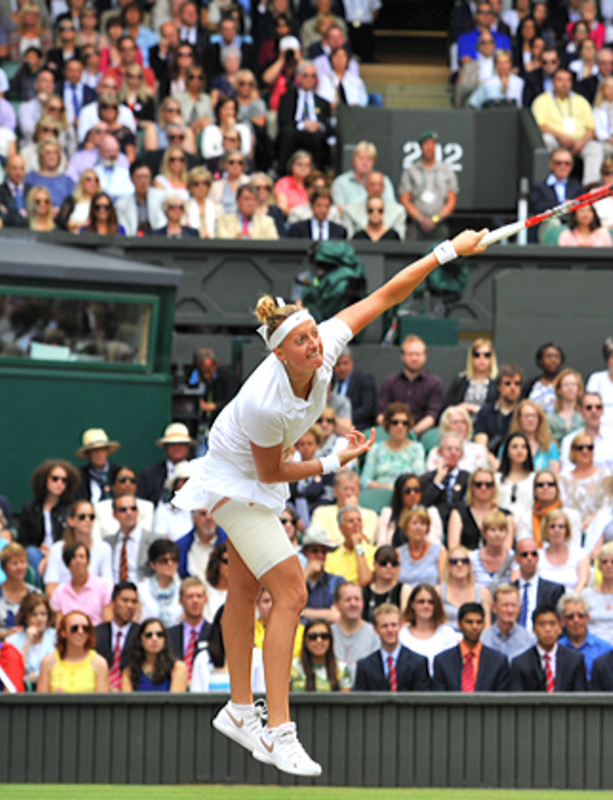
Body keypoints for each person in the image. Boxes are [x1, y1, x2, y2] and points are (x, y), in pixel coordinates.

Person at [165, 231, 485, 774]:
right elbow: (270, 472)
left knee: (243, 592)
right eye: (302, 341)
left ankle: (239, 710)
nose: (315, 344)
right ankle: (278, 729)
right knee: (290, 589)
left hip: (251, 476)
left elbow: (386, 295)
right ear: (278, 352)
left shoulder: (326, 342)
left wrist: (446, 251)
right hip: (232, 481)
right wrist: (336, 462)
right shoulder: (265, 403)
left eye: (315, 334)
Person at [354, 603, 435, 691]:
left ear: (400, 626)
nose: (390, 630)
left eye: (393, 625)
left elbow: (422, 700)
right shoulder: (365, 666)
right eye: (384, 626)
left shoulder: (418, 663)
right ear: (376, 629)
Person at [37, 610, 110, 693]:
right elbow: (42, 701)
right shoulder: (48, 662)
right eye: (74, 628)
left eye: (85, 628)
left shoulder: (100, 663)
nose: (80, 632)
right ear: (63, 633)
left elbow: (102, 702)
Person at [121, 618, 189, 692]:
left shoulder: (177, 668)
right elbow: (127, 702)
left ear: (164, 639)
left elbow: (175, 702)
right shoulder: (129, 672)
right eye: (149, 635)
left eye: (159, 634)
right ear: (140, 640)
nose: (154, 638)